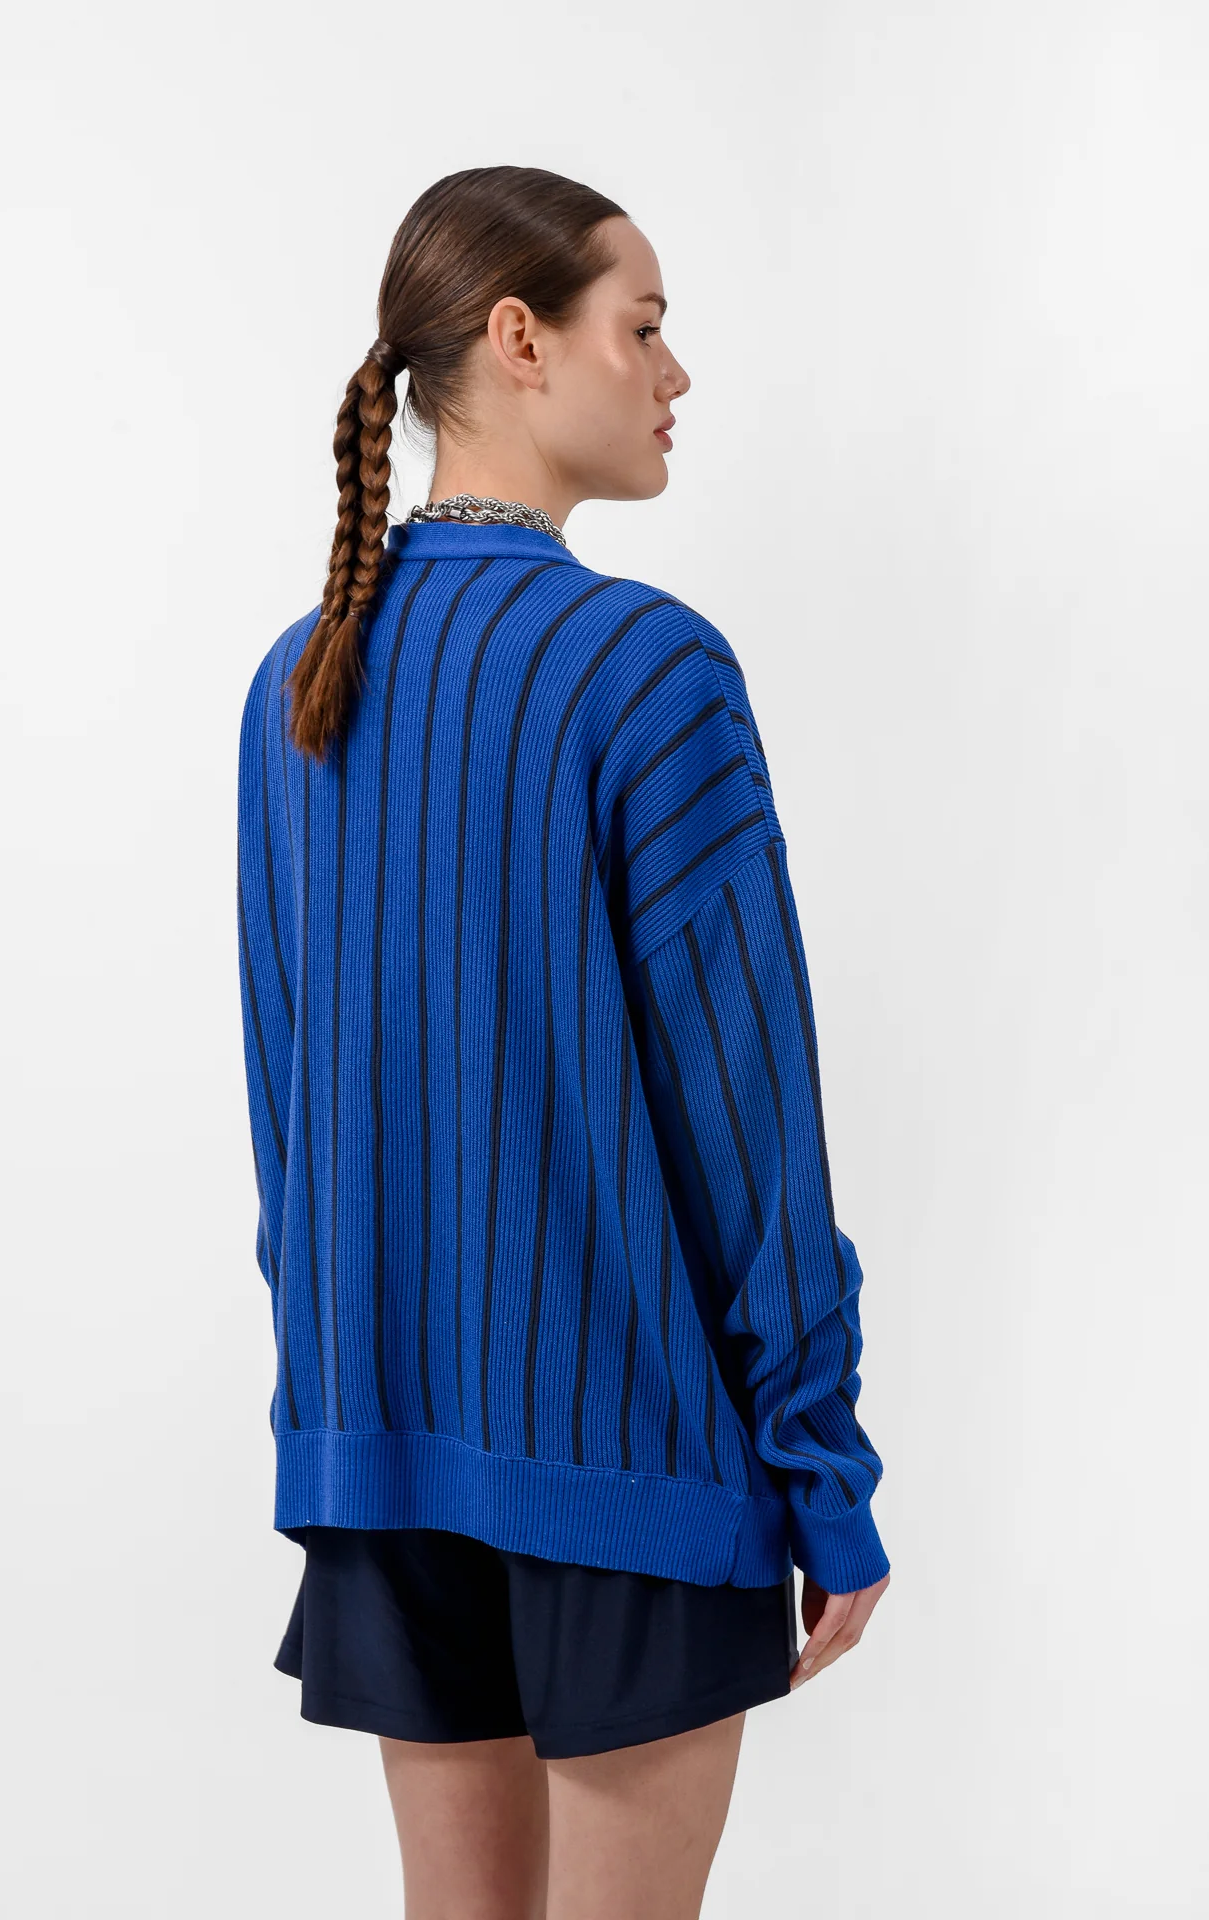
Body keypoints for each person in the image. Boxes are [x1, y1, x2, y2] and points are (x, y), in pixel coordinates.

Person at [236, 163, 891, 1920]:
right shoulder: (645, 673)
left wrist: (332, 1410)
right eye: (645, 327)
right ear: (521, 339)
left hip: (381, 1458)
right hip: (626, 1463)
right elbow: (746, 1117)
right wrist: (821, 1464)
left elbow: (289, 1119)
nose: (674, 374)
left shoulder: (302, 677)